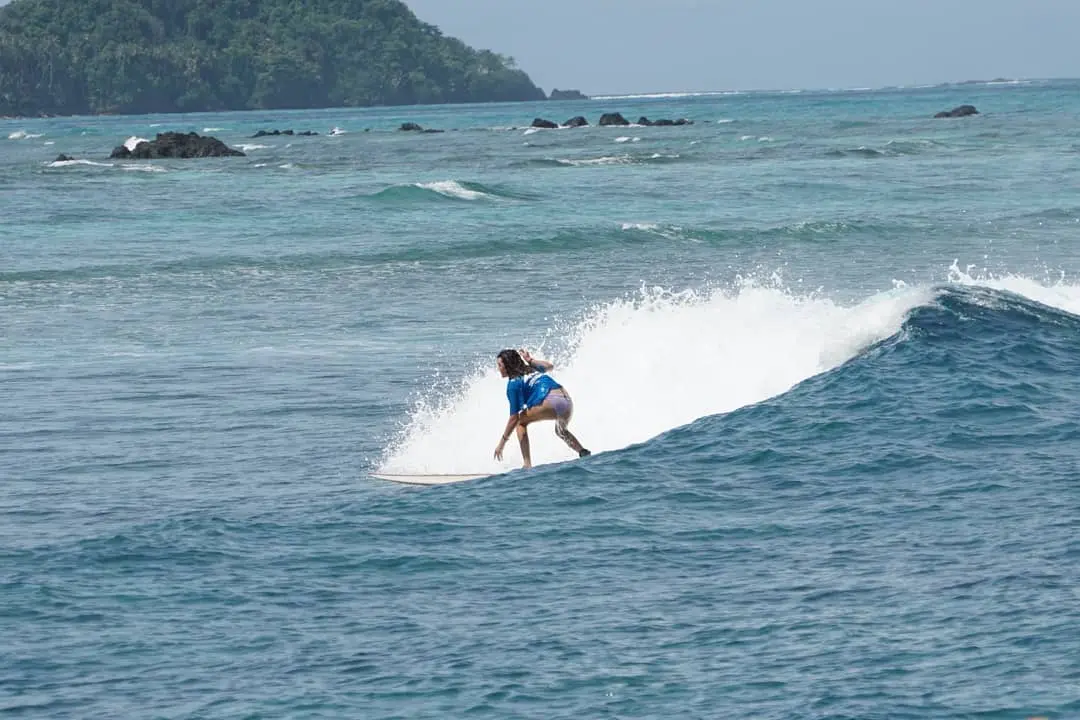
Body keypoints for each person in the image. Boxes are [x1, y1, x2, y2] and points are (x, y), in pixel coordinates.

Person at [493, 348, 591, 468]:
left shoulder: (513, 384)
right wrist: (530, 360)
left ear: (508, 366)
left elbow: (513, 418)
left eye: (500, 365)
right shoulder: (532, 369)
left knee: (520, 422)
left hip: (551, 401)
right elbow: (550, 366)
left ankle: (527, 464)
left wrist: (501, 444)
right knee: (561, 431)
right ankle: (583, 452)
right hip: (566, 402)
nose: (498, 368)